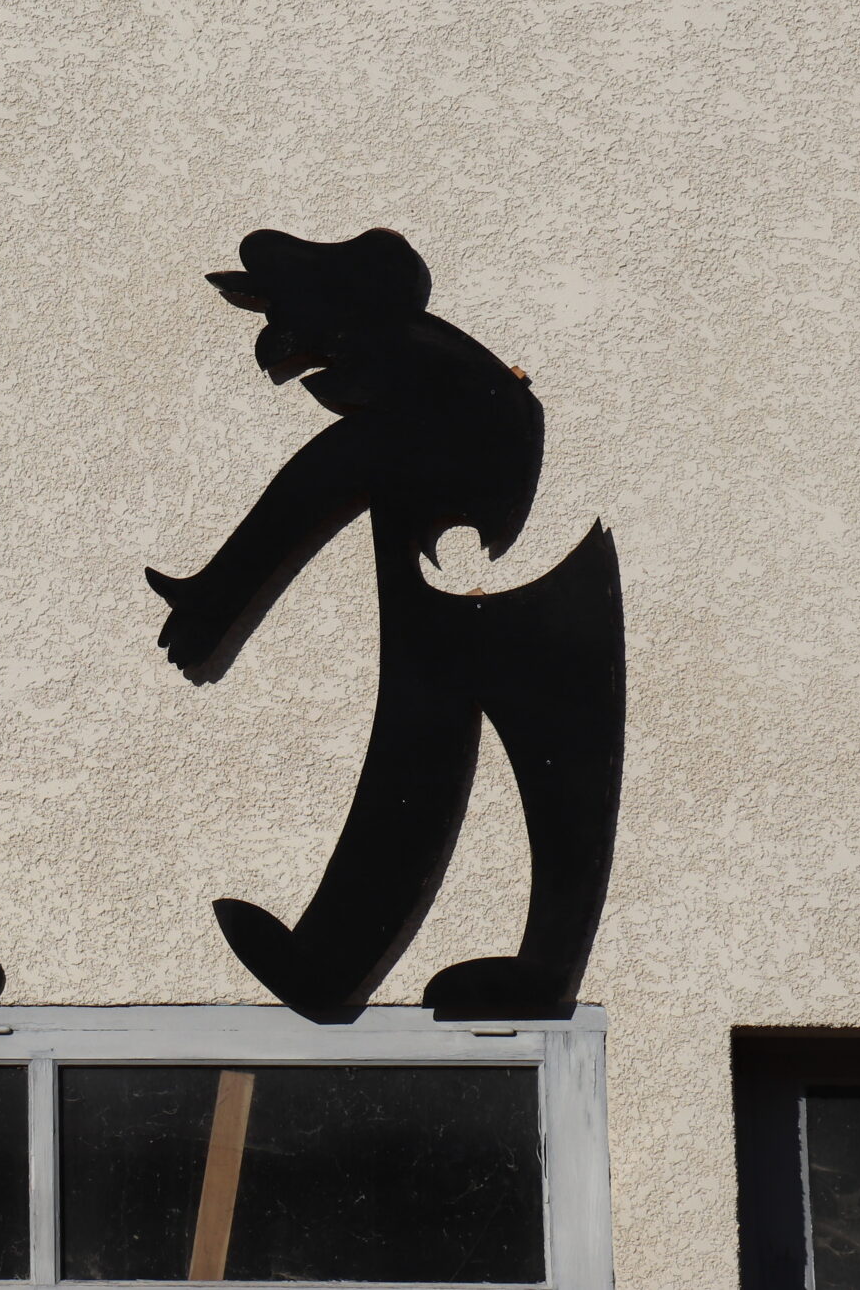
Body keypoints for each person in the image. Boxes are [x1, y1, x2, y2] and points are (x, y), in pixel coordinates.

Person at [146, 228, 623, 1022]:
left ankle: (350, 966)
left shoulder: (415, 389)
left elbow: (325, 476)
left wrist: (211, 604)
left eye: (288, 320)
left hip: (516, 604)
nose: (283, 347)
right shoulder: (436, 380)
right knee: (426, 774)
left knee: (474, 777)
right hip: (477, 592)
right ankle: (335, 964)